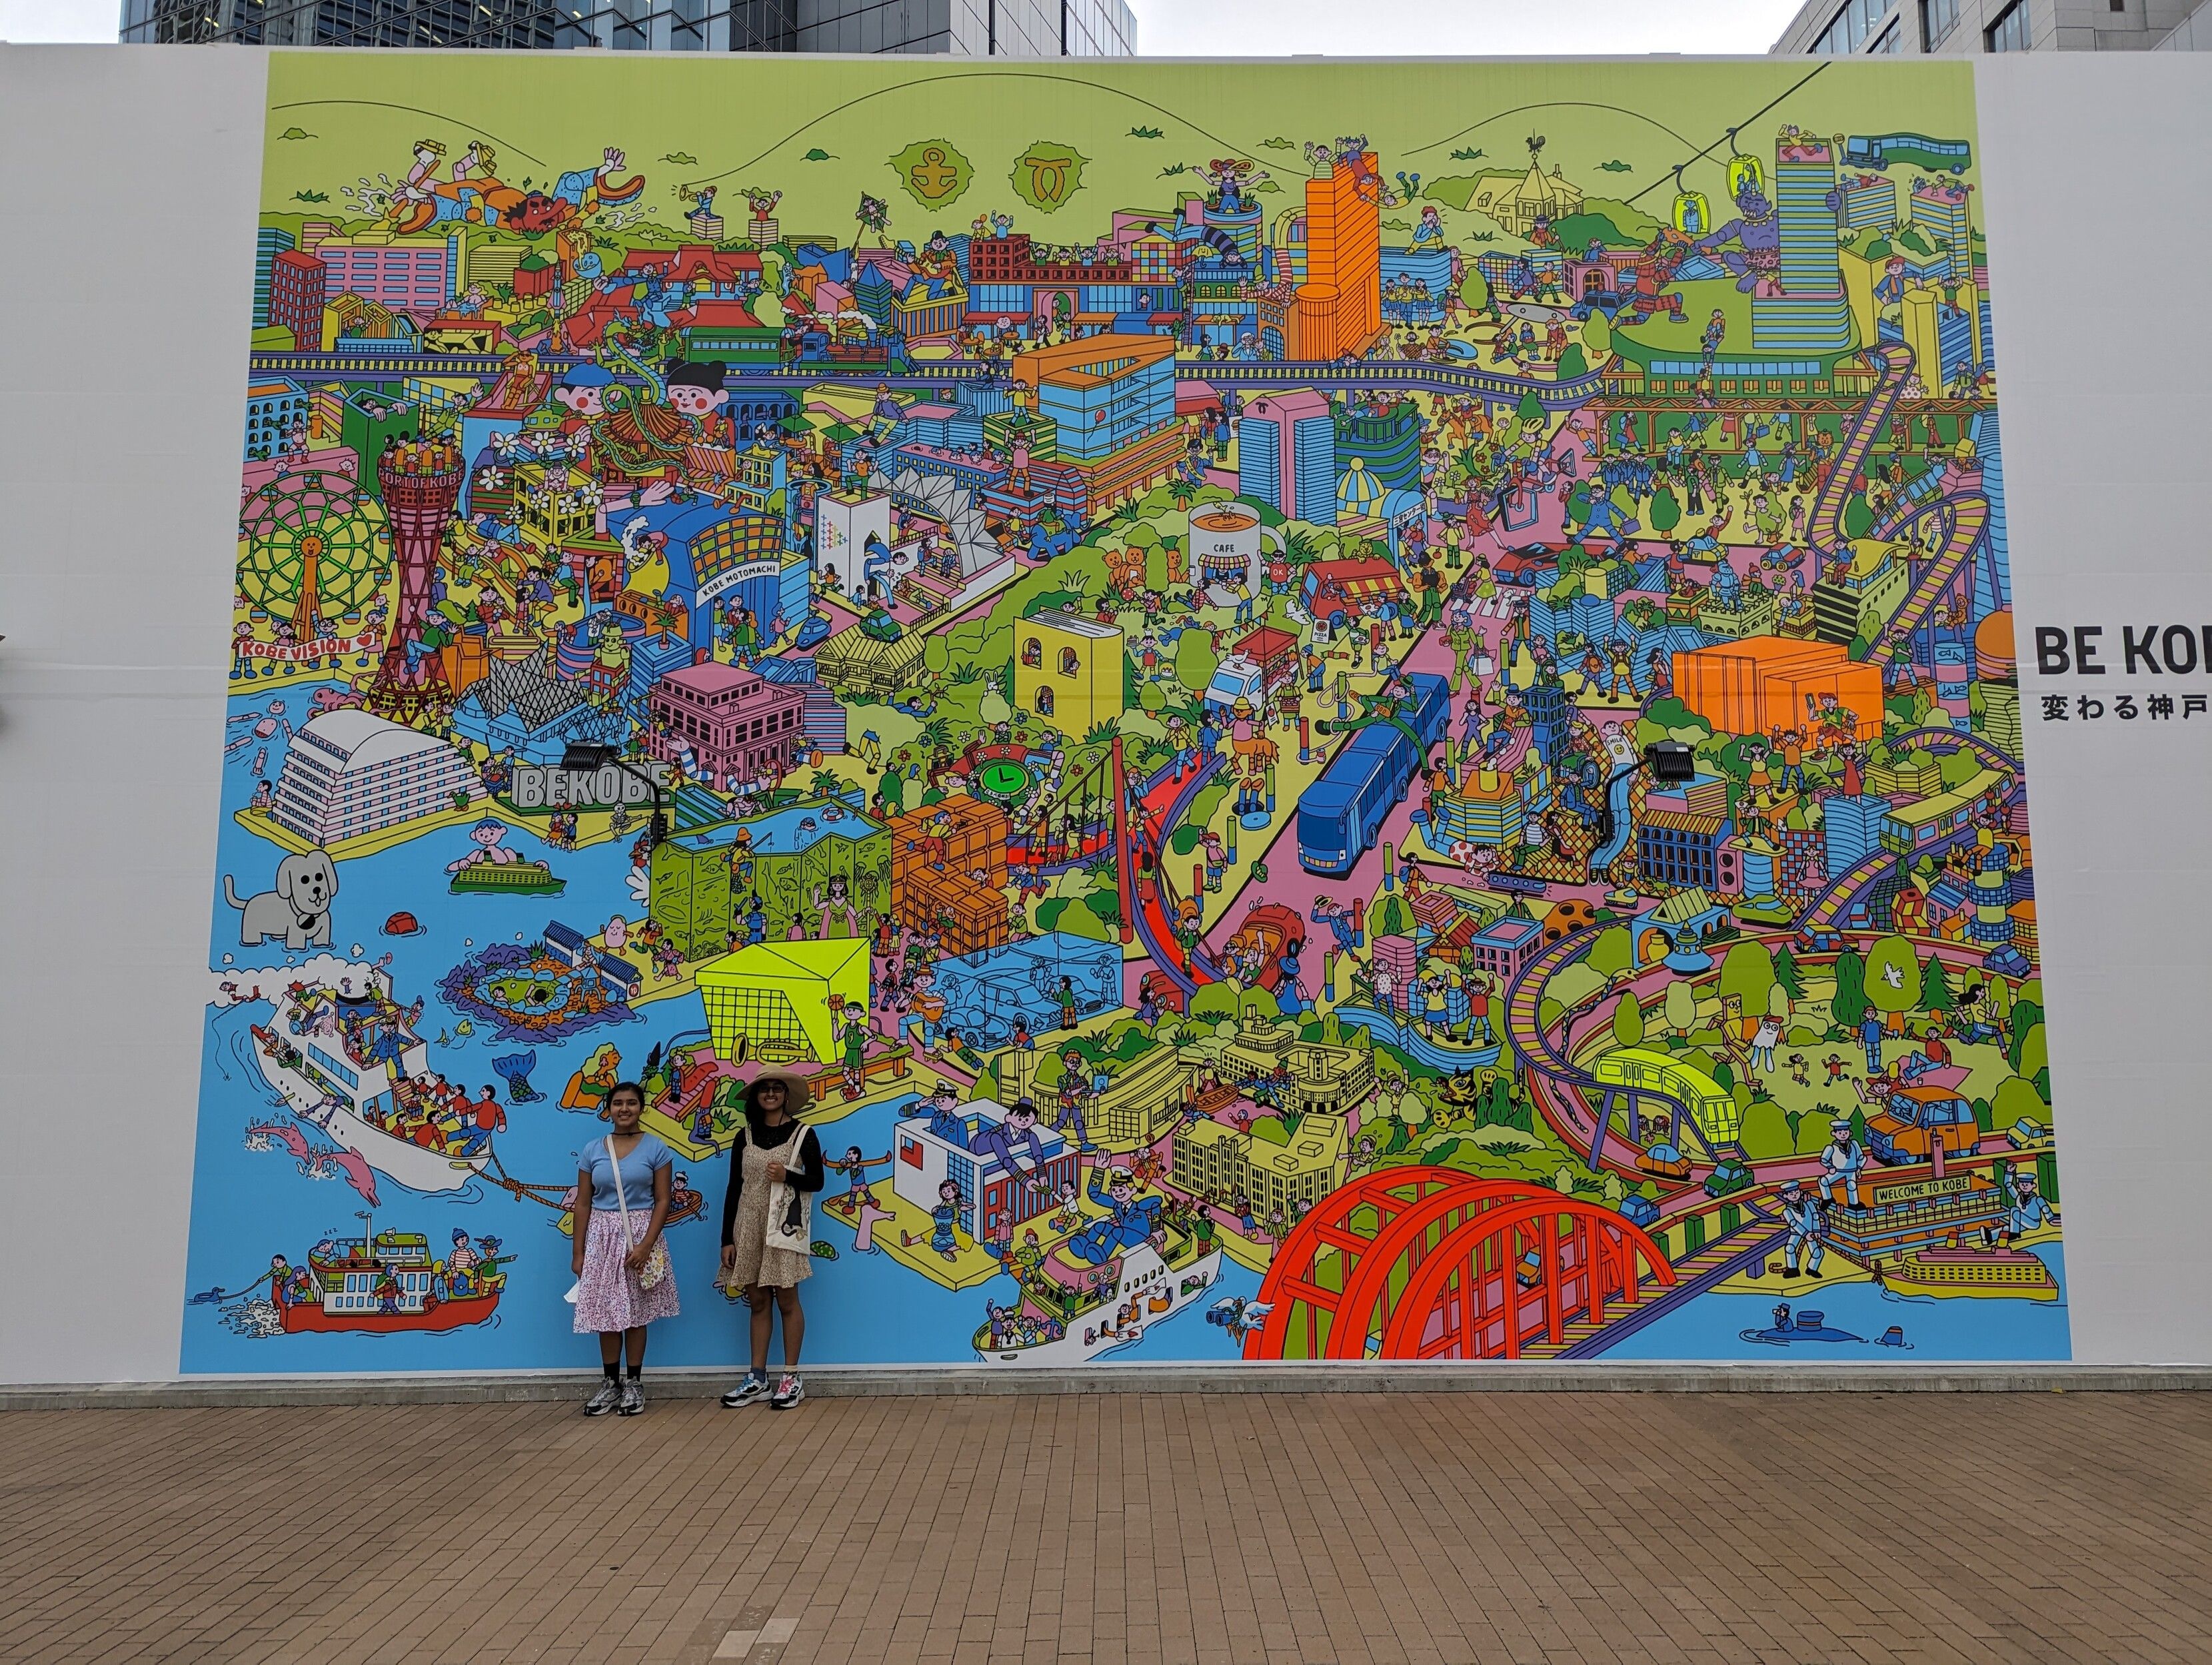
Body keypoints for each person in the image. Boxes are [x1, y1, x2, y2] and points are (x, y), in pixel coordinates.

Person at [570, 1081, 678, 1416]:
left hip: (639, 1236)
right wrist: (579, 1253)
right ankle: (610, 1383)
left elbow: (663, 1200)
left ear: (641, 1108)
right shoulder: (593, 1150)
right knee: (606, 1313)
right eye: (618, 1103)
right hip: (602, 1238)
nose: (625, 1109)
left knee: (636, 1312)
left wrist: (646, 1246)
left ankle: (634, 1383)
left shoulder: (656, 1149)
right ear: (608, 1109)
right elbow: (583, 1204)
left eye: (632, 1103)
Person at [719, 1069, 824, 1410]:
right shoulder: (745, 1135)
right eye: (764, 1089)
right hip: (748, 1226)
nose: (770, 1094)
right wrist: (727, 1239)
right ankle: (758, 1378)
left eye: (777, 1088)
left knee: (787, 1301)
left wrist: (788, 1175)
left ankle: (791, 1377)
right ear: (756, 1096)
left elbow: (817, 1181)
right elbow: (734, 1187)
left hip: (783, 1227)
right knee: (758, 1302)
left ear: (786, 1095)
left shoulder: (804, 1134)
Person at [1777, 1179, 1826, 1281]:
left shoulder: (1809, 1204)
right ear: (1786, 1196)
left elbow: (1815, 1216)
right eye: (1791, 1194)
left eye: (1796, 1192)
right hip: (1797, 1233)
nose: (1794, 1195)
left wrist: (1817, 1230)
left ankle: (1812, 1269)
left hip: (1811, 1232)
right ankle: (1793, 1269)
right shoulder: (1787, 1211)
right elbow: (1793, 1223)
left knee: (1818, 1252)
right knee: (1790, 1248)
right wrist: (1805, 1234)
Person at [1819, 1116, 1867, 1207]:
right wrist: (1830, 1167)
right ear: (1834, 1133)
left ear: (1850, 1133)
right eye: (1840, 1133)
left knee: (1852, 1186)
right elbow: (1823, 1159)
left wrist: (1859, 1168)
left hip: (1851, 1170)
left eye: (1846, 1132)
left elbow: (1862, 1157)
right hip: (1838, 1171)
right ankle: (1828, 1199)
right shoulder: (1832, 1147)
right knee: (1823, 1181)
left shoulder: (1854, 1144)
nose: (1843, 1135)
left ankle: (1854, 1204)